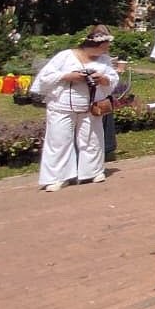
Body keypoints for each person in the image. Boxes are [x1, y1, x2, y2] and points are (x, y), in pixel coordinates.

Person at [35, 25, 120, 192]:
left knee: (92, 138)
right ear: (93, 46)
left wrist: (102, 79)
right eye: (103, 48)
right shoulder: (65, 56)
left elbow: (113, 78)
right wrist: (67, 76)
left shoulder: (104, 60)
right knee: (59, 139)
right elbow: (45, 76)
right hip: (62, 104)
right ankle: (57, 177)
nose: (106, 51)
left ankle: (92, 171)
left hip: (91, 106)